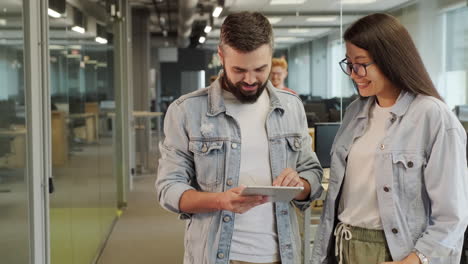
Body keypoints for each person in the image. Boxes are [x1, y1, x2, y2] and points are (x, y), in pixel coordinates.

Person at [156, 11, 323, 264]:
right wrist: (219, 201)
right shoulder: (187, 111)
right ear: (221, 57)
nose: (250, 79)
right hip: (218, 256)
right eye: (239, 69)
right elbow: (169, 189)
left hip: (283, 255)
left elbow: (312, 172)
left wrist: (299, 184)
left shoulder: (291, 107)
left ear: (271, 56)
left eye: (260, 69)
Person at [311, 13, 468, 264]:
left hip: (396, 252)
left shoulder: (432, 116)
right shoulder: (355, 112)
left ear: (389, 59)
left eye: (360, 63)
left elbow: (452, 215)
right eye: (349, 64)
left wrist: (416, 259)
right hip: (344, 246)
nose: (353, 73)